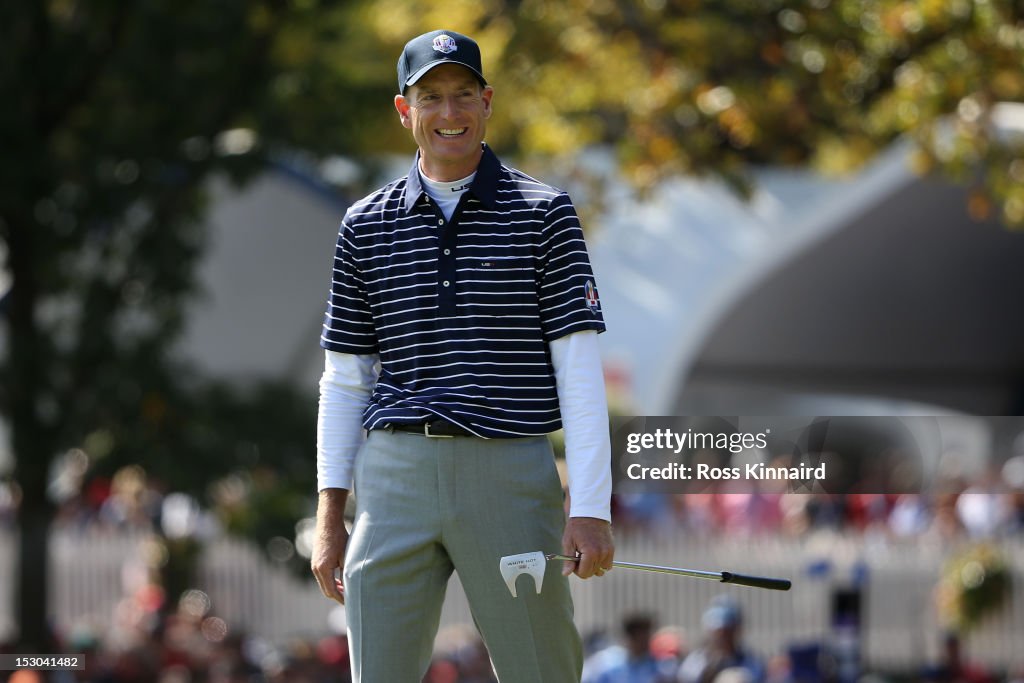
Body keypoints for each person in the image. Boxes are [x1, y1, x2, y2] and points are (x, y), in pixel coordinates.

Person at [310, 29, 615, 683]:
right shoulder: (364, 224)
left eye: (462, 95)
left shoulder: (544, 213)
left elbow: (578, 368)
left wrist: (591, 505)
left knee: (543, 672)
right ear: (404, 110)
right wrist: (330, 515)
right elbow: (345, 379)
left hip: (507, 467)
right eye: (431, 98)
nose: (449, 113)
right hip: (393, 473)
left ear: (487, 101)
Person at [677, 597, 764, 683]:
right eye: (717, 631)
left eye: (727, 631)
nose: (722, 637)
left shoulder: (751, 663)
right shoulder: (695, 662)